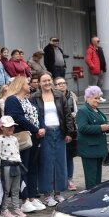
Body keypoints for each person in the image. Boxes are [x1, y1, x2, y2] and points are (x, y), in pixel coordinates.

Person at [31, 72, 75, 206]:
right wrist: (37, 130)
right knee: (46, 163)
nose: (47, 83)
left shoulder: (59, 95)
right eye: (44, 81)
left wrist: (69, 132)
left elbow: (67, 115)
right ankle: (47, 194)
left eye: (49, 80)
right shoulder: (34, 97)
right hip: (45, 133)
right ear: (39, 82)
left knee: (60, 163)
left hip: (59, 132)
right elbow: (33, 116)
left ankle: (58, 193)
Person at [3, 76, 46, 213]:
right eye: (27, 83)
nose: (30, 85)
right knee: (24, 168)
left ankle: (32, 196)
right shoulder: (12, 100)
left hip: (35, 137)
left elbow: (38, 115)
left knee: (33, 167)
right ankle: (24, 199)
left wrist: (42, 128)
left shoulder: (28, 99)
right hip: (23, 137)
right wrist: (35, 129)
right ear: (21, 85)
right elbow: (17, 117)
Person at [77, 86, 109, 189]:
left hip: (98, 148)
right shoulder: (83, 110)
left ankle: (96, 196)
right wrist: (101, 128)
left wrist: (107, 128)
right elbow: (82, 128)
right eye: (95, 98)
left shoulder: (96, 110)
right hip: (89, 149)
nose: (98, 100)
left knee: (97, 178)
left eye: (98, 98)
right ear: (87, 98)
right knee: (91, 179)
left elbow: (101, 124)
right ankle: (90, 198)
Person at [0, 116, 27, 217]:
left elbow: (17, 152)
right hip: (6, 166)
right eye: (8, 127)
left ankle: (16, 207)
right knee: (6, 189)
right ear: (2, 127)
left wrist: (19, 163)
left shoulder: (15, 139)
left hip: (16, 165)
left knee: (16, 189)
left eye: (12, 126)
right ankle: (4, 210)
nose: (11, 128)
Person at [54, 77, 78, 191]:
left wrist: (74, 114)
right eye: (59, 84)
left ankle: (69, 179)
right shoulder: (53, 97)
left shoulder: (71, 96)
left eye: (64, 83)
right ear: (55, 86)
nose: (62, 85)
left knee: (69, 156)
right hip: (58, 129)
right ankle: (60, 179)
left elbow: (76, 111)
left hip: (70, 129)